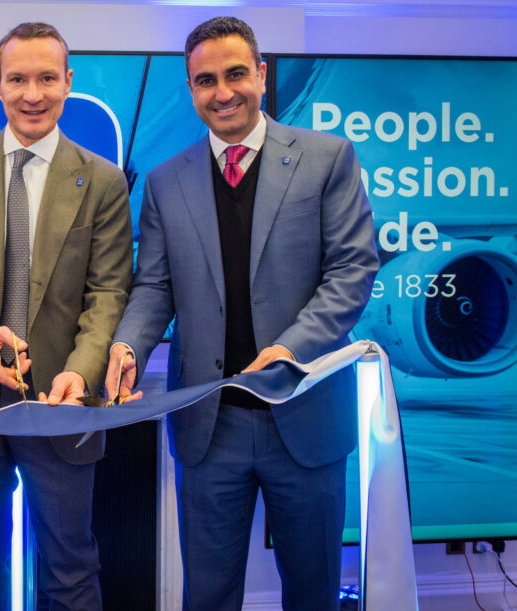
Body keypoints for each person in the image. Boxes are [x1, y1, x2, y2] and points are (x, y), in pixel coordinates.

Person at [106, 16, 379, 611]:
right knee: (208, 595)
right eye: (206, 81)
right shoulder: (165, 182)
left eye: (235, 74)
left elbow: (352, 270)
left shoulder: (327, 158)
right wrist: (127, 346)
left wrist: (290, 349)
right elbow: (154, 286)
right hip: (210, 426)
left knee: (312, 595)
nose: (223, 92)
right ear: (190, 89)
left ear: (261, 74)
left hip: (305, 415)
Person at [0, 22, 133, 610]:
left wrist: (81, 372)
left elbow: (109, 292)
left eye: (46, 78)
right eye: (18, 80)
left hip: (61, 403)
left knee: (70, 568)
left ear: (68, 82)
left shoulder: (103, 181)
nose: (32, 94)